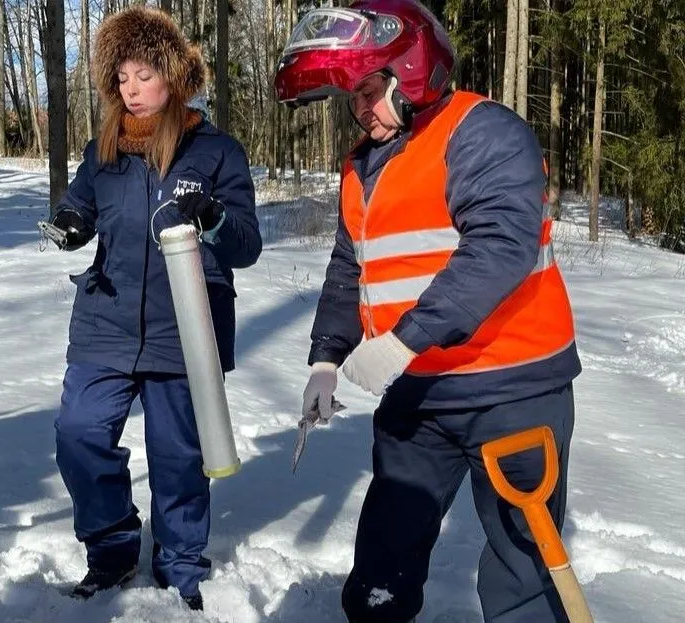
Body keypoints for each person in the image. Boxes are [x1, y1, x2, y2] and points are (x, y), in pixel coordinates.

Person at [274, 1, 582, 622]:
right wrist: (326, 361)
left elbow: (499, 248)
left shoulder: (481, 130)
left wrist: (402, 340)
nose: (360, 108)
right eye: (351, 97)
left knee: (522, 566)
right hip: (416, 396)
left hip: (509, 387)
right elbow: (347, 269)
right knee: (384, 558)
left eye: (369, 89)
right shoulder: (362, 164)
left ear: (410, 70)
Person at [46, 6, 261, 609]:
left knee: (179, 455)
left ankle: (180, 562)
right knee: (79, 432)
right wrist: (69, 223)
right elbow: (81, 209)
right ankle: (112, 546)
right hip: (106, 322)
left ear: (172, 75)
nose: (131, 89)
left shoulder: (216, 151)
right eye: (121, 78)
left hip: (186, 326)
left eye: (143, 74)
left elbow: (246, 245)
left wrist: (213, 218)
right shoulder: (104, 150)